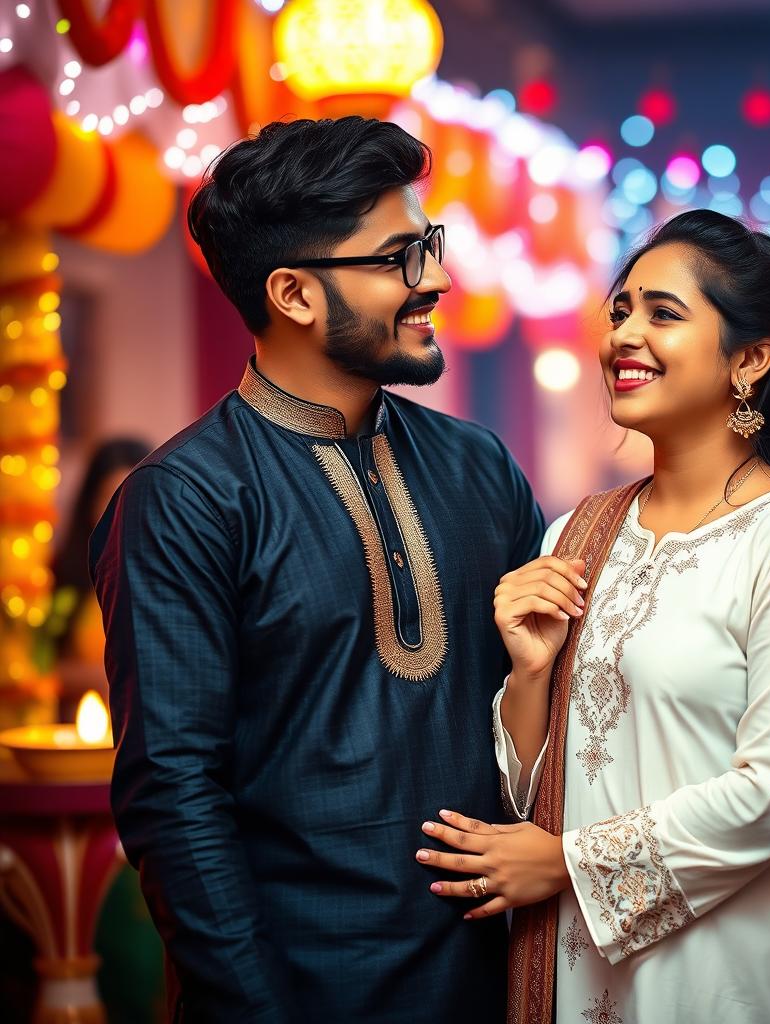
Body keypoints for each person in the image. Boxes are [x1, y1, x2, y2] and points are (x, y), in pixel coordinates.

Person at [89, 116, 544, 1023]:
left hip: (497, 980)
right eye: (399, 258)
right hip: (300, 989)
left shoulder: (477, 466)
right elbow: (174, 794)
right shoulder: (186, 498)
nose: (438, 278)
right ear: (293, 293)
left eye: (431, 245)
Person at [416, 210, 770, 1023]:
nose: (625, 335)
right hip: (585, 967)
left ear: (752, 357)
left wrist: (566, 865)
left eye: (663, 314)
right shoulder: (581, 532)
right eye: (621, 311)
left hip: (740, 971)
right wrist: (530, 673)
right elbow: (540, 792)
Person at [49, 437, 151, 715]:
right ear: (90, 503)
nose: (123, 510)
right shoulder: (64, 576)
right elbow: (39, 666)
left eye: (133, 495)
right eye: (110, 496)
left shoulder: (178, 572)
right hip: (77, 731)